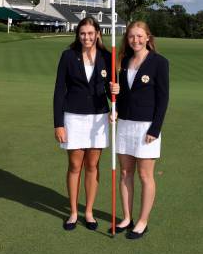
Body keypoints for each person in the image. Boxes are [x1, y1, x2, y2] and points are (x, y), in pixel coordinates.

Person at [53, 17, 119, 231]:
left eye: (90, 33)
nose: (86, 37)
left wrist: (115, 94)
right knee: (75, 166)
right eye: (83, 33)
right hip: (73, 117)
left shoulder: (108, 57)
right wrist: (58, 124)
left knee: (92, 166)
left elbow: (111, 92)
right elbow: (59, 92)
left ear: (98, 33)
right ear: (77, 34)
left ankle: (88, 212)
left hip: (98, 118)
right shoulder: (68, 56)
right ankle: (73, 212)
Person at [113, 21, 169, 239]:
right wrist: (115, 96)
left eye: (139, 36)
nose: (135, 40)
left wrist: (155, 129)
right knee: (125, 173)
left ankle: (143, 221)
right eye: (131, 37)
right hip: (125, 124)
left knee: (145, 175)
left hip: (147, 127)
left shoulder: (159, 62)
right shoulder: (123, 61)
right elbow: (122, 96)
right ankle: (127, 217)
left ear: (148, 37)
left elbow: (163, 99)